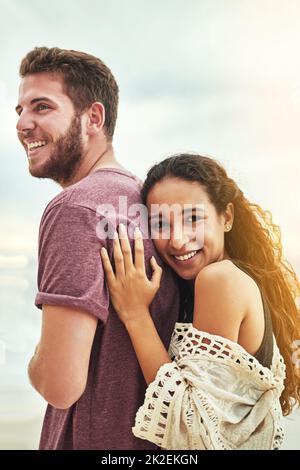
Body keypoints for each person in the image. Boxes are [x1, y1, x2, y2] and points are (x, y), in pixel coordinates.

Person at [16, 47, 180, 450]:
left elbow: (59, 384)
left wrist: (35, 360)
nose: (22, 124)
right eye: (18, 110)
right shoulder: (148, 203)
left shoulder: (75, 208)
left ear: (93, 118)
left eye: (41, 107)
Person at [101, 153, 300, 450]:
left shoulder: (219, 279)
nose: (178, 240)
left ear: (227, 217)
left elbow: (193, 429)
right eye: (160, 224)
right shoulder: (222, 281)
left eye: (193, 218)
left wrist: (134, 314)